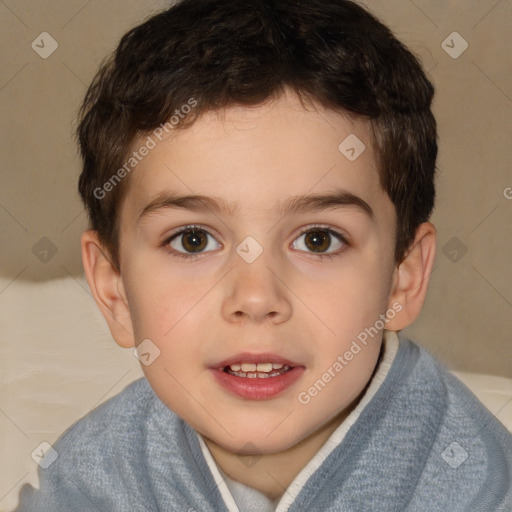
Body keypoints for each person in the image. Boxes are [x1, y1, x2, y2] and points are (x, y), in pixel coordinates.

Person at [15, 0, 512, 510]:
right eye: (193, 240)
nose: (255, 298)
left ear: (403, 278)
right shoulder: (88, 476)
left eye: (319, 239)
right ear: (114, 290)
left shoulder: (483, 489)